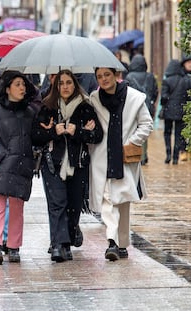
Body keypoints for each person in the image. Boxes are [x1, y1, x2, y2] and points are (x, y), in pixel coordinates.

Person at [33, 69, 103, 262]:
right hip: (52, 164)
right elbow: (36, 136)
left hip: (78, 163)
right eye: (61, 83)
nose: (65, 87)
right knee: (57, 204)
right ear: (56, 86)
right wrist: (52, 132)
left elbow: (97, 135)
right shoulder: (47, 107)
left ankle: (70, 236)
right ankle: (58, 245)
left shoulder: (85, 107)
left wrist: (78, 131)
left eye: (69, 83)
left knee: (74, 205)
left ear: (75, 85)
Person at [89, 67, 153, 261]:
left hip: (124, 157)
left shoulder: (134, 97)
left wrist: (131, 142)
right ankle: (112, 242)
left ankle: (122, 243)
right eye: (99, 76)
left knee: (122, 201)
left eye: (107, 75)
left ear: (116, 75)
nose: (103, 79)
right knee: (108, 199)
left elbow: (146, 124)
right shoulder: (94, 98)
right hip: (102, 157)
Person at [0, 70, 37, 265]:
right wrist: (1, 155)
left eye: (24, 84)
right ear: (8, 87)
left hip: (22, 165)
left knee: (17, 207)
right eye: (18, 84)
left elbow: (35, 137)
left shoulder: (29, 112)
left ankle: (13, 247)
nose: (22, 88)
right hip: (0, 165)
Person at [125, 54, 159, 165]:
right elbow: (155, 92)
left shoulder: (129, 76)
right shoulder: (150, 76)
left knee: (135, 130)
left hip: (134, 107)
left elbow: (127, 93)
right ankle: (144, 155)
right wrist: (151, 101)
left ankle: (136, 154)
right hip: (147, 105)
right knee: (145, 129)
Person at [160, 59, 191, 164]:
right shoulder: (185, 80)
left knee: (167, 133)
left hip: (169, 110)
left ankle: (168, 154)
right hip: (181, 111)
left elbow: (163, 97)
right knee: (178, 134)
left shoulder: (167, 81)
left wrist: (165, 102)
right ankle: (175, 157)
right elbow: (188, 97)